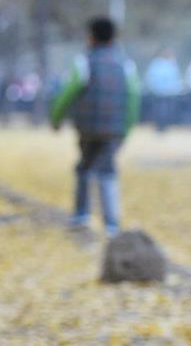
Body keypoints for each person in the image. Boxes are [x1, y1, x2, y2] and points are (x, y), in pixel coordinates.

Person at [50, 16, 140, 238]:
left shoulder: (83, 63)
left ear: (90, 37)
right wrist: (126, 128)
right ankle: (111, 223)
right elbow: (133, 97)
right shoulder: (126, 65)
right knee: (107, 171)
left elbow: (67, 93)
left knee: (84, 167)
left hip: (87, 127)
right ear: (114, 38)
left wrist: (56, 118)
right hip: (113, 130)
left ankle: (81, 214)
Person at [143, 49, 182, 131]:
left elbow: (175, 79)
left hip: (168, 92)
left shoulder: (172, 64)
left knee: (166, 111)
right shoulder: (156, 64)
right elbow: (151, 77)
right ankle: (159, 126)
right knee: (159, 110)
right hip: (158, 92)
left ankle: (165, 126)